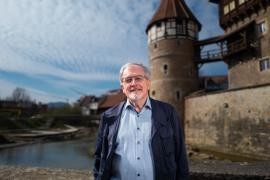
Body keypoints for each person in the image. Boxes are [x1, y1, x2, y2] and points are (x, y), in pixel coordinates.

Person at [93, 63, 189, 180]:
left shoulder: (168, 112)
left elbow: (180, 156)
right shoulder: (108, 117)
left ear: (148, 83)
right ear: (123, 87)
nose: (133, 83)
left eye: (138, 78)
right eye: (128, 80)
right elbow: (99, 157)